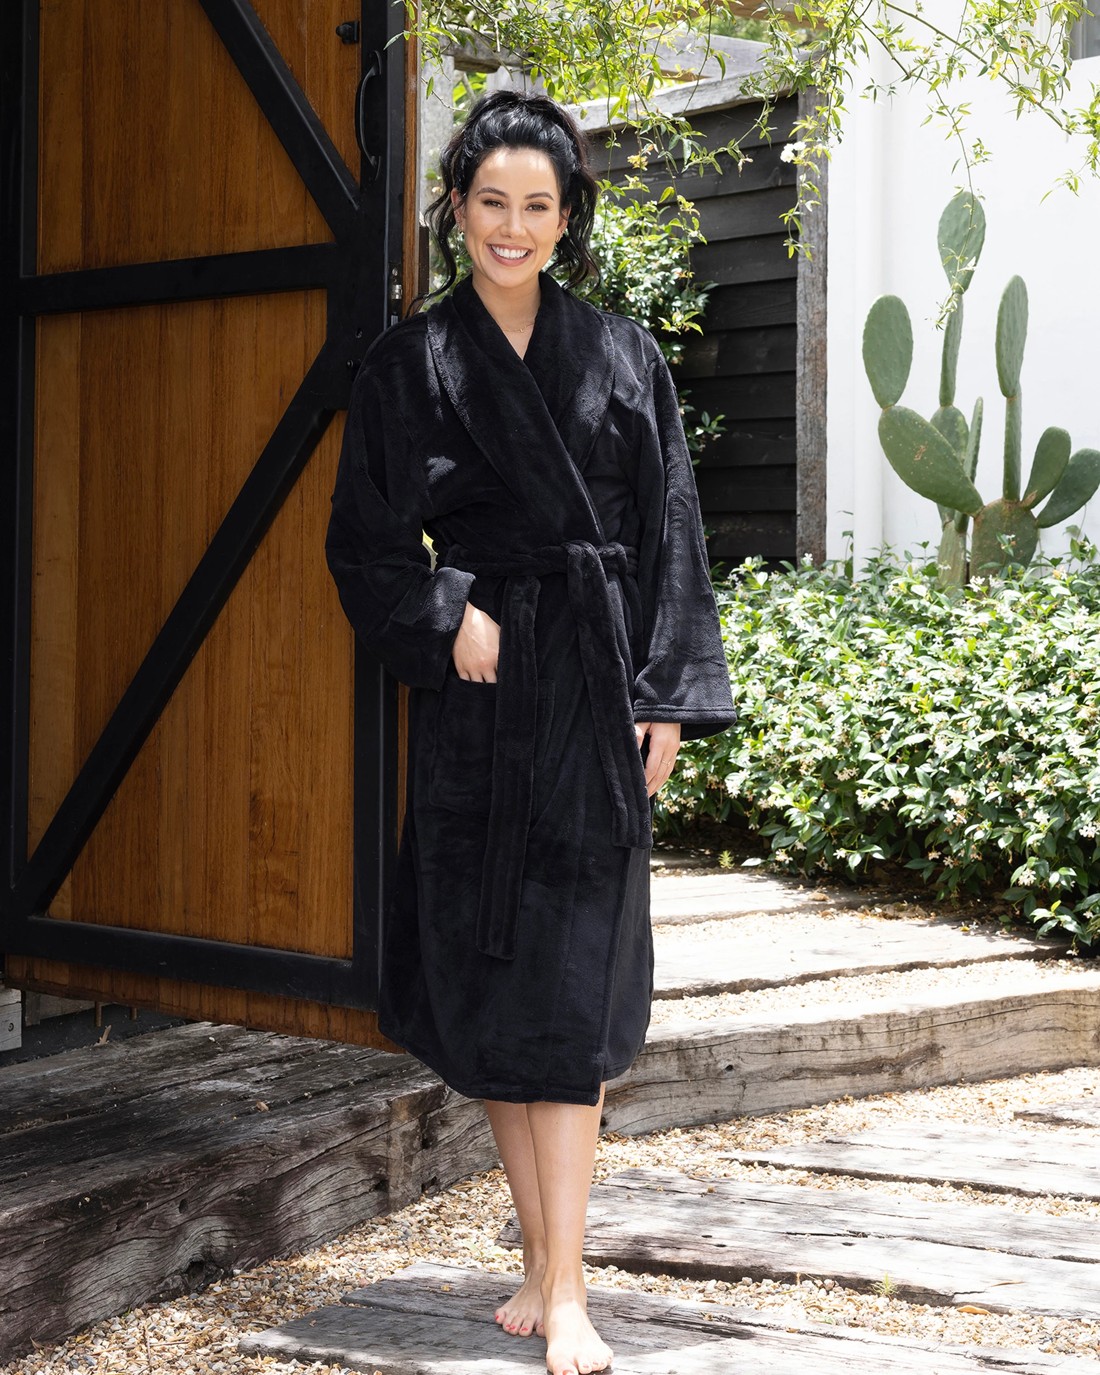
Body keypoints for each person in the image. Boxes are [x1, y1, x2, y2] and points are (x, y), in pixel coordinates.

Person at [325, 89, 735, 1375]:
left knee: (575, 979)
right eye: (490, 202)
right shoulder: (410, 363)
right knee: (498, 973)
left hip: (593, 686)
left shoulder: (621, 354)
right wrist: (445, 610)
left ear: (566, 221)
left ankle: (567, 1287)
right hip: (481, 693)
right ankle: (540, 1258)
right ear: (457, 209)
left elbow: (670, 528)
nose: (511, 226)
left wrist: (664, 693)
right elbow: (363, 541)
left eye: (536, 206)